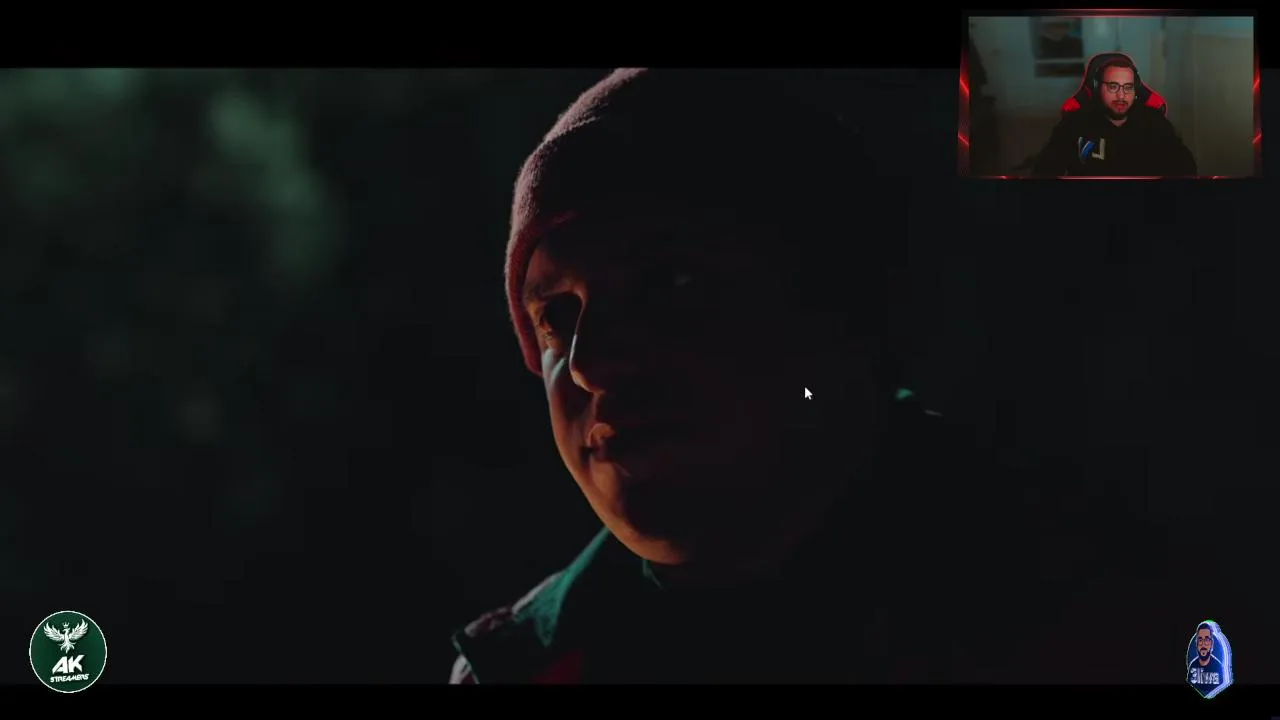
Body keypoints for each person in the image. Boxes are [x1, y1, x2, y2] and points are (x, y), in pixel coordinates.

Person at [448, 68, 1188, 684]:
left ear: (838, 304)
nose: (591, 362)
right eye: (556, 318)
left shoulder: (1096, 607)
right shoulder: (518, 666)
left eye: (667, 283)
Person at [1032, 54, 1197, 177]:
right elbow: (1045, 168)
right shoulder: (1075, 122)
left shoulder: (1154, 122)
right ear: (1098, 88)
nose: (1121, 96)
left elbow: (1185, 166)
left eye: (1128, 87)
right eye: (1113, 86)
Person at [1186, 622, 1229, 695]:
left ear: (1211, 644)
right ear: (1196, 644)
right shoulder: (1192, 667)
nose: (1203, 644)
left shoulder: (1218, 667)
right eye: (1200, 640)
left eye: (1206, 640)